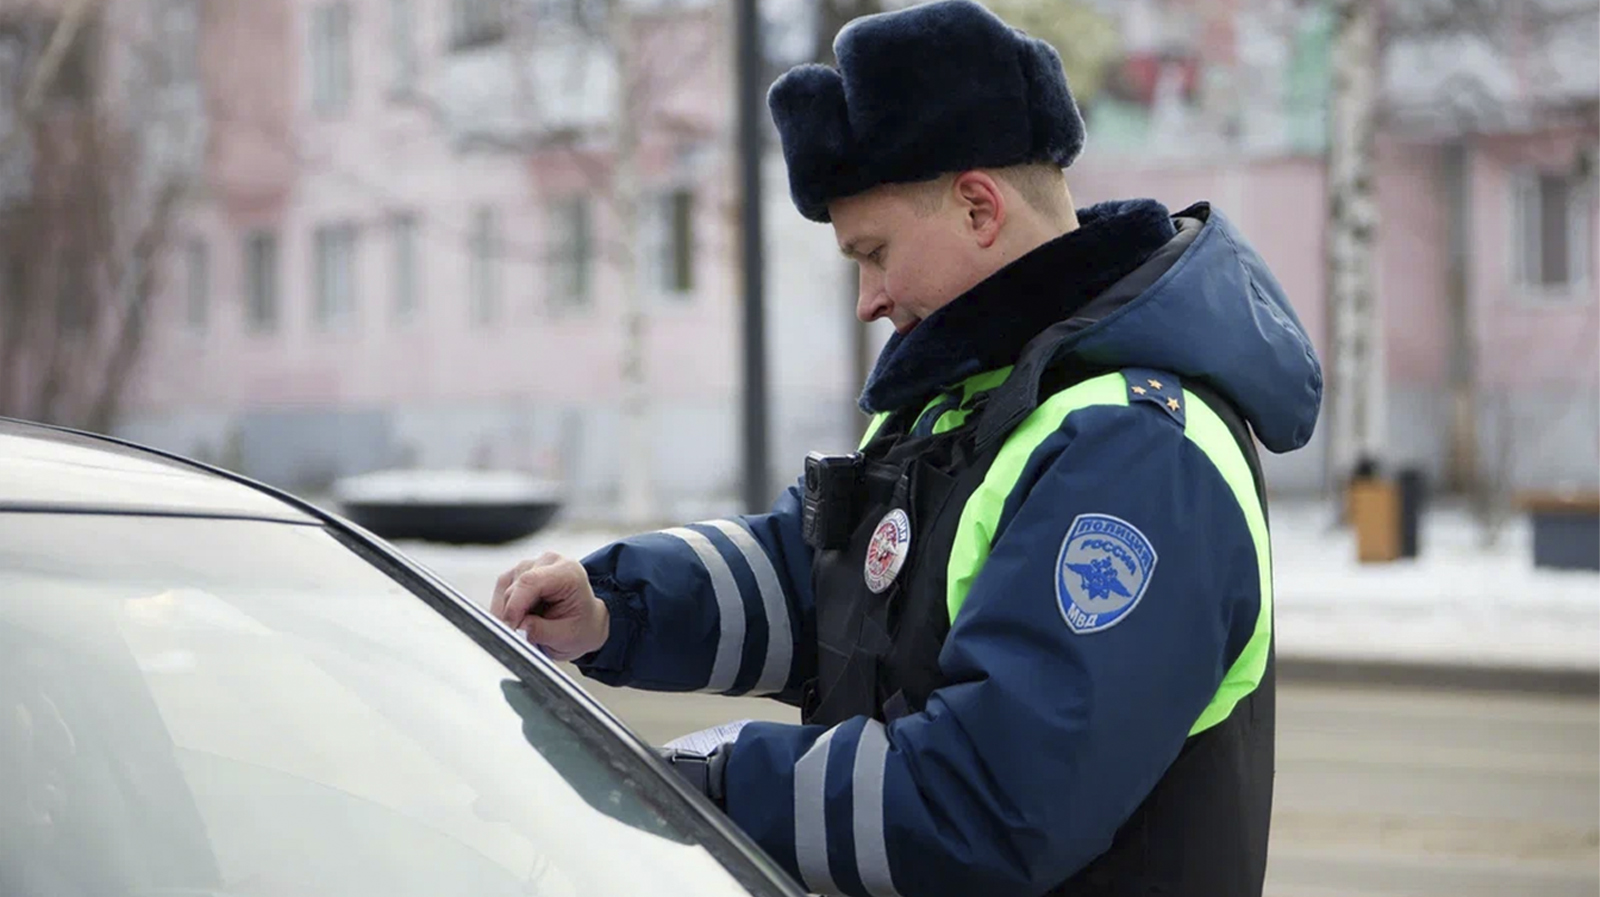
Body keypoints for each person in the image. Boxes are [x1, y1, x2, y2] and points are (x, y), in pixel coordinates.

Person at [492, 1, 1322, 894]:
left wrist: (704, 789)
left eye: (876, 251)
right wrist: (615, 607)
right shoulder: (964, 400)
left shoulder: (1139, 452)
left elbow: (987, 802)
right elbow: (824, 582)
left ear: (978, 207)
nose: (869, 299)